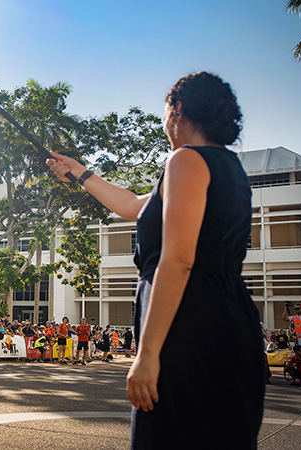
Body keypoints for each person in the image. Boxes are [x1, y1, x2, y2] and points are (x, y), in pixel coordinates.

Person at [48, 72, 264, 448]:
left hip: (189, 327)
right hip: (231, 322)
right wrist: (79, 172)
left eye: (166, 113)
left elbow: (177, 259)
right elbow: (133, 206)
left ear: (177, 111)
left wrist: (147, 354)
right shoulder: (231, 170)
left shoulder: (185, 160)